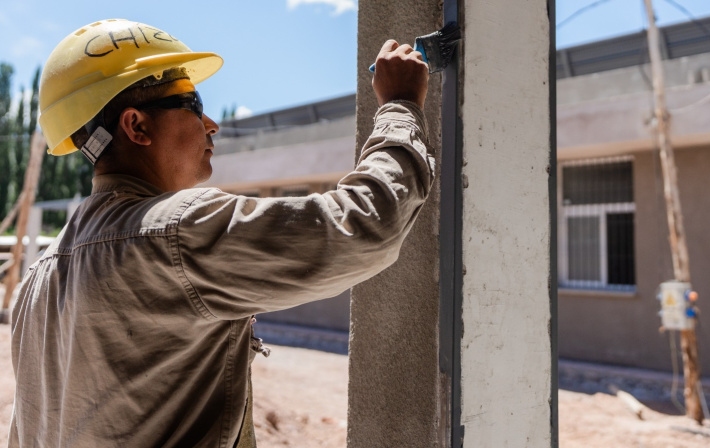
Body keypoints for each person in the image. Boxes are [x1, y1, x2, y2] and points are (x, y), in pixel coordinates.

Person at [10, 19, 433, 448]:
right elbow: (367, 223)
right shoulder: (177, 233)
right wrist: (400, 105)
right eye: (192, 103)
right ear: (136, 126)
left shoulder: (37, 281)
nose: (211, 124)